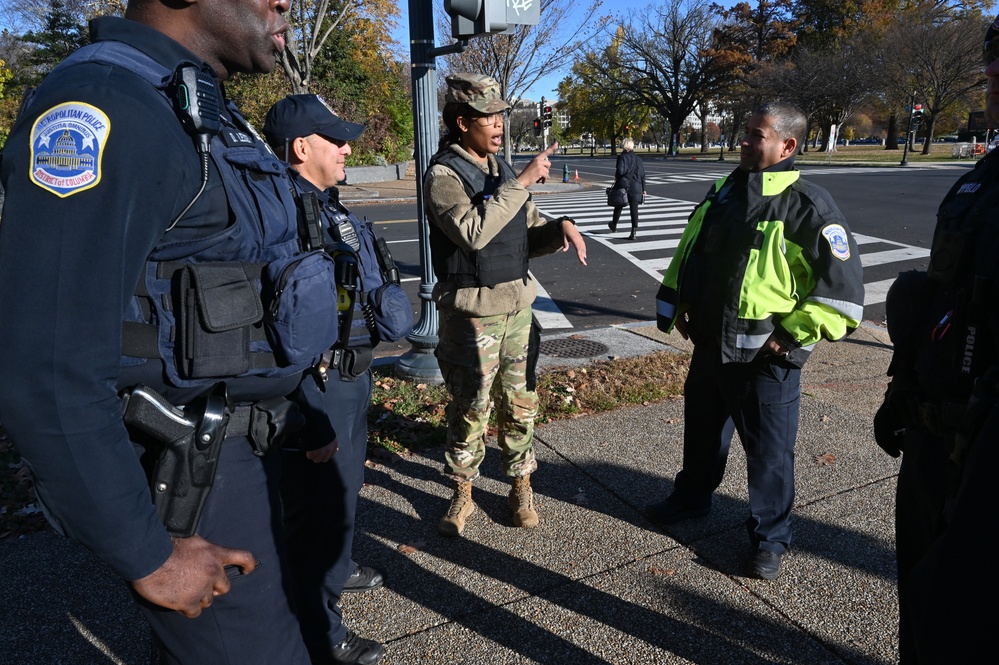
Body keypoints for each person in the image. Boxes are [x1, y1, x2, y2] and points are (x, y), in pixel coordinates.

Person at [0, 1, 329, 663]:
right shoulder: (104, 104)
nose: (286, 2)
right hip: (197, 469)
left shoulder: (193, 104)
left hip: (253, 448)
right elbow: (46, 364)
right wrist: (147, 554)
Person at [648, 101, 864, 580]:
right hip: (710, 344)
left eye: (755, 135)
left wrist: (787, 338)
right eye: (744, 132)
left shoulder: (807, 205)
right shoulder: (724, 191)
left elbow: (842, 297)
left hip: (766, 359)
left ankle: (770, 538)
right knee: (702, 431)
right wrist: (679, 303)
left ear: (787, 145)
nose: (742, 141)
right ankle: (691, 499)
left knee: (768, 454)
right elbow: (692, 250)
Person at [263, 94, 413, 665]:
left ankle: (337, 567)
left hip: (350, 377)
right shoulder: (282, 216)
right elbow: (280, 331)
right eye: (336, 139)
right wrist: (306, 414)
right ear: (302, 148)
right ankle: (319, 635)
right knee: (316, 518)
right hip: (317, 388)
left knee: (342, 501)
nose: (349, 147)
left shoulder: (328, 207)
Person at [875, 16, 999, 661]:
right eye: (991, 61)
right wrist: (903, 389)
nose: (993, 77)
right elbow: (947, 299)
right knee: (920, 607)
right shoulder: (983, 176)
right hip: (933, 429)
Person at [424, 73, 588, 537]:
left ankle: (520, 485)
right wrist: (521, 181)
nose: (499, 124)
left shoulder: (500, 171)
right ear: (461, 122)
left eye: (500, 115)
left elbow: (522, 234)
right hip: (473, 316)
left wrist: (560, 229)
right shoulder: (444, 176)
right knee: (470, 405)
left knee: (520, 403)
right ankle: (463, 491)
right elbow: (474, 233)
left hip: (517, 309)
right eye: (488, 117)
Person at [609, 138, 646, 239]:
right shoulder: (638, 159)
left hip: (623, 186)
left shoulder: (622, 157)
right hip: (636, 187)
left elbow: (620, 171)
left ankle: (614, 224)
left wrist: (617, 177)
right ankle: (633, 231)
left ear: (624, 146)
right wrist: (644, 189)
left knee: (619, 205)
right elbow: (642, 175)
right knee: (634, 209)